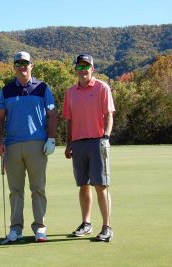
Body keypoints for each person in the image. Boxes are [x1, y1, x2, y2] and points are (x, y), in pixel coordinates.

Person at [0, 51, 58, 244]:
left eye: (25, 63)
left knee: (38, 188)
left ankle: (40, 228)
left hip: (37, 144)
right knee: (15, 190)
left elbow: (52, 114)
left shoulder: (43, 88)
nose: (22, 66)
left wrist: (52, 138)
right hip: (12, 146)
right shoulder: (6, 90)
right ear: (14, 66)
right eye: (18, 63)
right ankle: (15, 229)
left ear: (32, 65)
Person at [62, 54, 115, 242]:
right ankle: (86, 223)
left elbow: (108, 115)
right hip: (78, 143)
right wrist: (68, 144)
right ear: (75, 69)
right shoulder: (71, 92)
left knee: (101, 185)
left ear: (92, 69)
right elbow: (69, 120)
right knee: (83, 185)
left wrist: (106, 137)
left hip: (97, 141)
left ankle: (107, 226)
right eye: (80, 67)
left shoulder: (102, 87)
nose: (83, 70)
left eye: (86, 67)